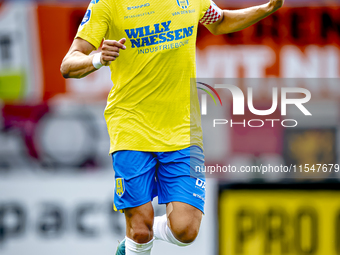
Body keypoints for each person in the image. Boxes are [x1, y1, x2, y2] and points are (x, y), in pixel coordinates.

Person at [60, 0, 284, 254]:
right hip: (132, 127)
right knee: (140, 230)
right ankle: (137, 233)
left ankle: (135, 233)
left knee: (185, 230)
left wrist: (266, 8)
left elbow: (219, 21)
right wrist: (98, 58)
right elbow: (68, 65)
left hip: (182, 130)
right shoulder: (108, 3)